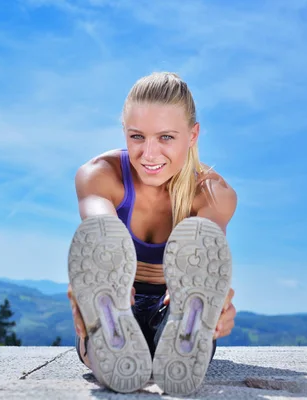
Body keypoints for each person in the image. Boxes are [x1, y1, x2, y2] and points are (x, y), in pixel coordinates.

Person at [66, 71, 237, 396]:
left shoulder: (213, 194)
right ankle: (108, 318)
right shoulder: (100, 176)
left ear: (192, 135)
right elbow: (100, 236)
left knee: (185, 310)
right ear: (125, 133)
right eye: (137, 137)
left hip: (173, 301)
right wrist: (89, 285)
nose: (149, 153)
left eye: (166, 137)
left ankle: (188, 322)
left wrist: (218, 306)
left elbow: (206, 252)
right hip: (117, 302)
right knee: (107, 272)